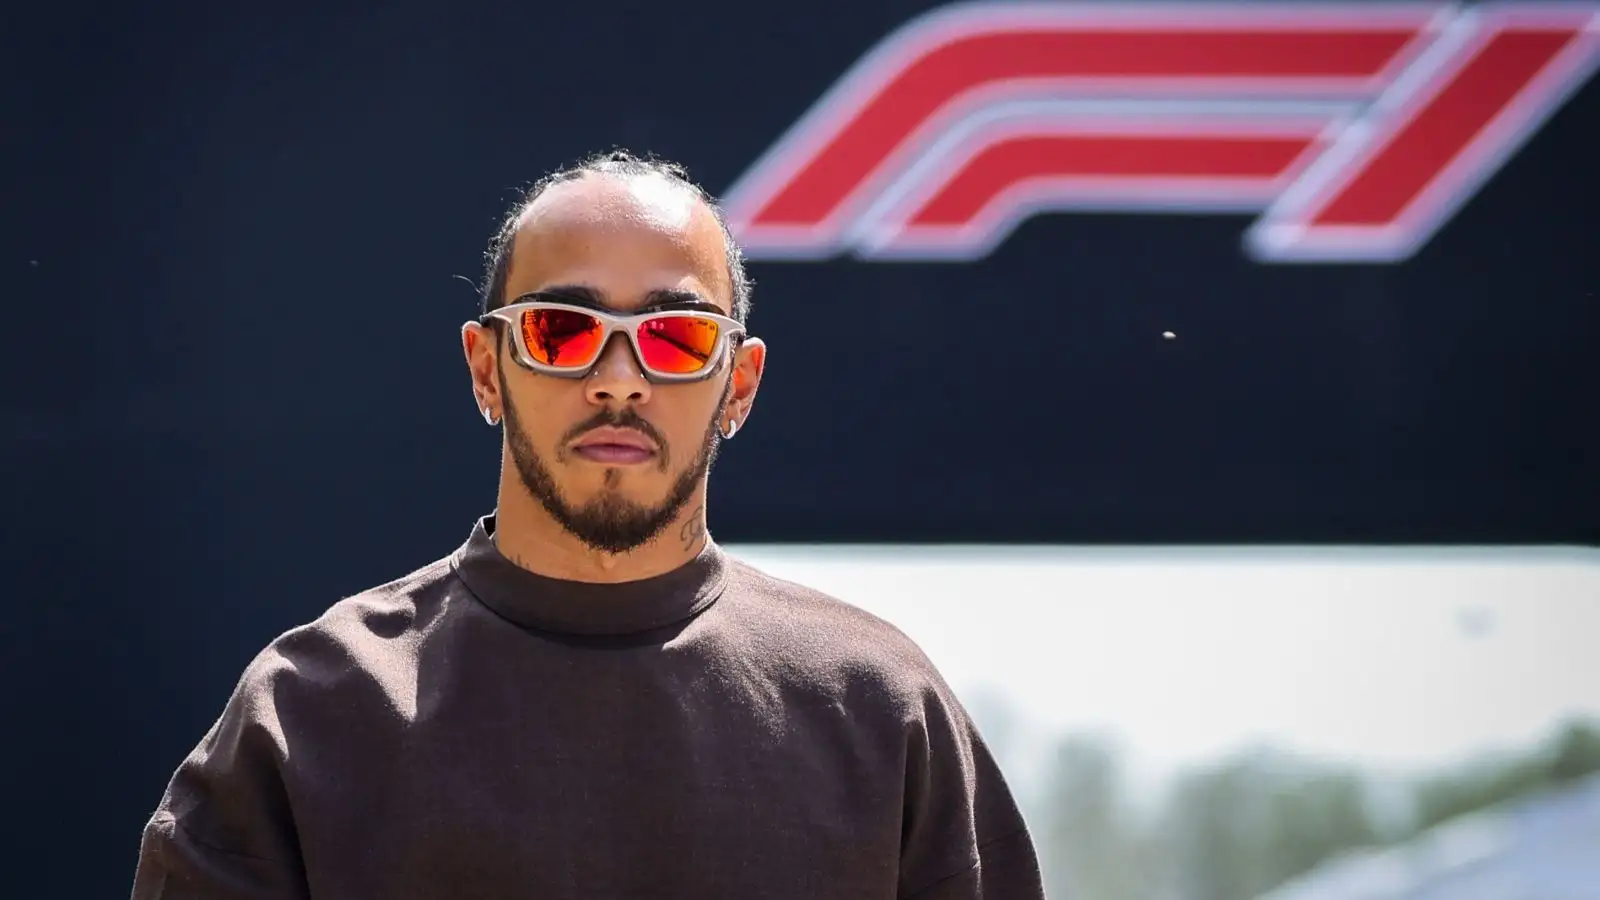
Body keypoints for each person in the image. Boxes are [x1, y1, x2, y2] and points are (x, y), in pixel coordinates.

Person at [131, 150, 1046, 899]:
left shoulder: (880, 709)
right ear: (486, 368)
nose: (618, 378)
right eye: (561, 331)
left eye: (677, 338)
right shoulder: (311, 712)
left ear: (740, 384)